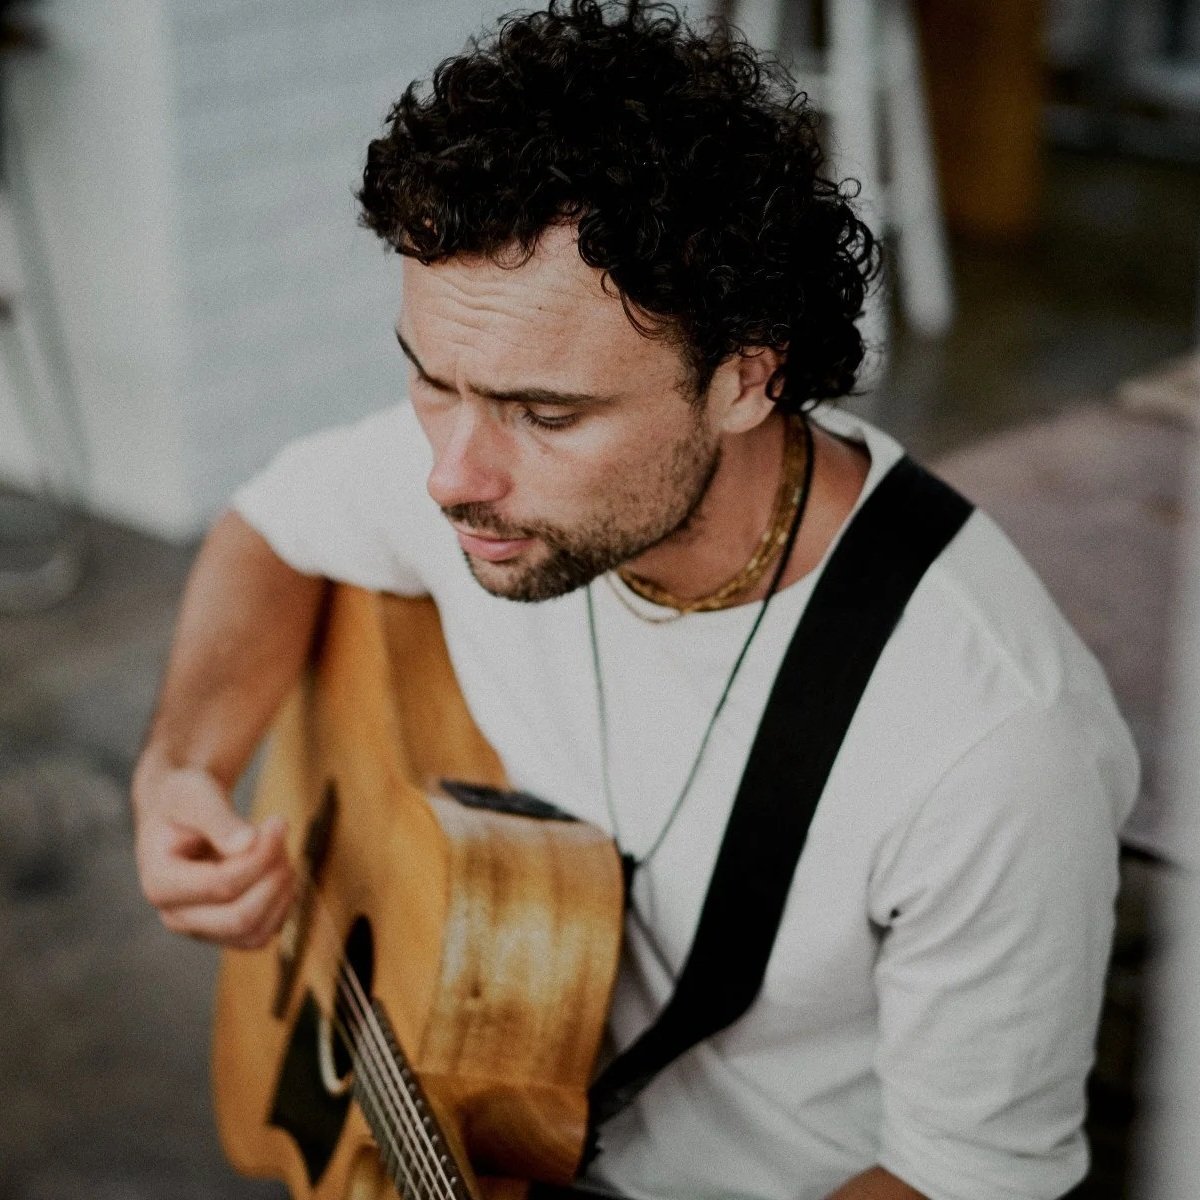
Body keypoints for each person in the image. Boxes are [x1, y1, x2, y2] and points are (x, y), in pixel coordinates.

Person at [131, 3, 1139, 1198]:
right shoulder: (490, 468)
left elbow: (965, 1180)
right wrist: (182, 768)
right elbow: (272, 526)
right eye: (431, 382)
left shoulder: (995, 747)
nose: (451, 476)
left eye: (547, 415)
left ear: (746, 377)